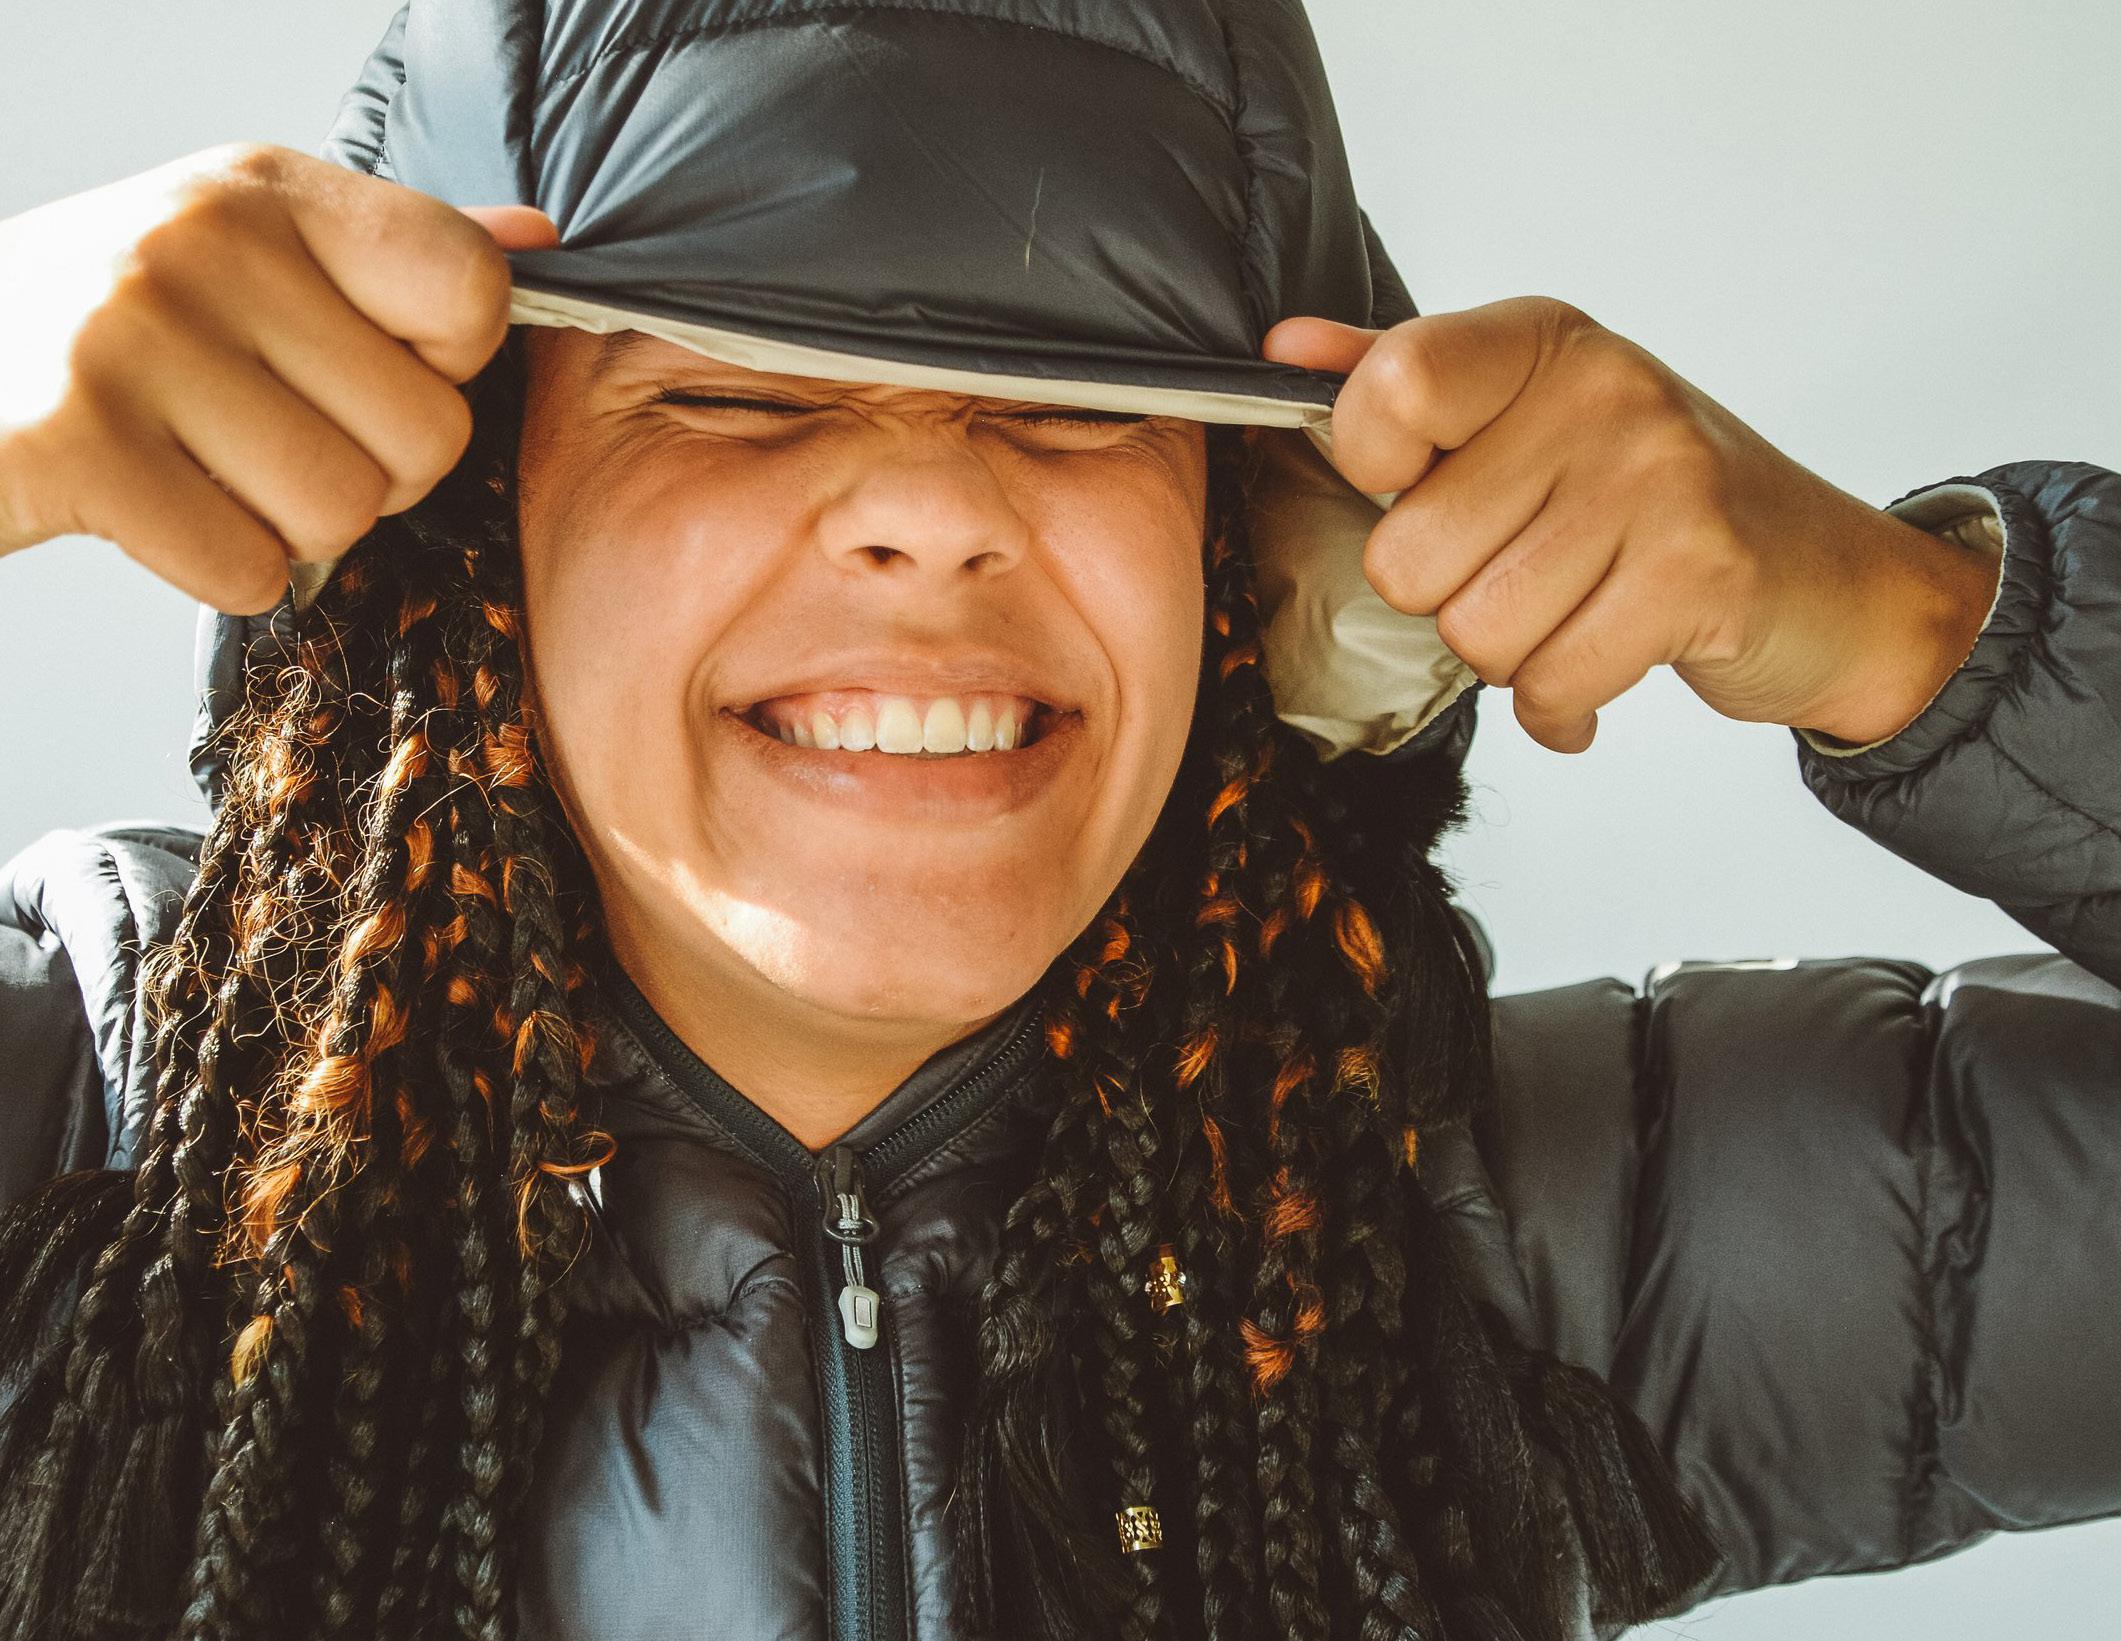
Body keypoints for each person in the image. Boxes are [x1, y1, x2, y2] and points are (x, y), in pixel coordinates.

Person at [1, 4, 2117, 1640]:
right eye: (722, 388)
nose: (932, 508)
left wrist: (1908, 623)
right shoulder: (76, 1171)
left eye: (1091, 404)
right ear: (469, 539)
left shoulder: (1520, 1244)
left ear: (1256, 566)